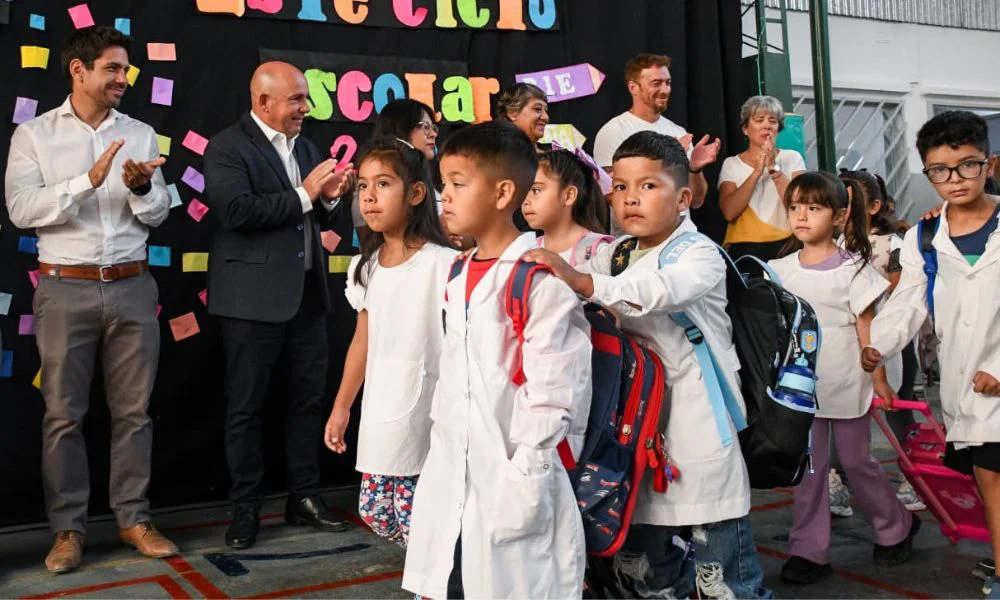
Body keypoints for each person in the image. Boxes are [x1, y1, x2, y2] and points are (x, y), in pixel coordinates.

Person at [526, 131, 770, 599]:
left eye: (647, 186)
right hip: (638, 435)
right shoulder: (617, 253)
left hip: (698, 432)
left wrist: (580, 280)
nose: (630, 198)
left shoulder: (699, 254)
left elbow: (659, 291)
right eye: (620, 186)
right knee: (645, 573)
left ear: (683, 198)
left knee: (725, 582)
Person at [4, 26, 177, 574]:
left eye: (125, 70)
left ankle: (133, 518)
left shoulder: (143, 133)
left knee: (135, 413)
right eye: (113, 69)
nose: (124, 79)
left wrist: (145, 191)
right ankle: (68, 530)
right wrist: (87, 180)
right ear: (79, 71)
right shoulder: (34, 135)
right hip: (63, 287)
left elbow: (159, 214)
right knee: (63, 416)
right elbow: (21, 210)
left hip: (132, 284)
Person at [401, 121, 592, 599]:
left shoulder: (538, 279)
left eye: (458, 184)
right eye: (443, 184)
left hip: (513, 476)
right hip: (455, 471)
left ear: (504, 192)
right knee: (451, 579)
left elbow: (553, 390)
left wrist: (526, 471)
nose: (444, 196)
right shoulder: (458, 272)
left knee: (511, 584)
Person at [203, 61, 354, 550]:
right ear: (263, 101)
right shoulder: (227, 147)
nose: (306, 109)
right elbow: (237, 212)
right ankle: (245, 509)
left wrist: (329, 199)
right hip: (250, 304)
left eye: (306, 99)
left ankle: (303, 498)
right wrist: (307, 194)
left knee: (307, 402)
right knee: (246, 408)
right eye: (296, 100)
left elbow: (311, 213)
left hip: (307, 298)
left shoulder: (306, 148)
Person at [862, 110, 1000, 598]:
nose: (955, 179)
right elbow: (908, 301)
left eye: (967, 166)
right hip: (969, 384)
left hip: (995, 377)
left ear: (990, 164)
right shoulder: (923, 237)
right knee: (989, 480)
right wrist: (879, 344)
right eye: (940, 170)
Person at [768, 171, 918, 584]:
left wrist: (881, 380)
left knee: (857, 462)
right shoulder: (778, 269)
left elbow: (868, 329)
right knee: (810, 469)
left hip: (848, 380)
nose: (801, 216)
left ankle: (896, 526)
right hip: (799, 389)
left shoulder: (855, 269)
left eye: (813, 208)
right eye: (795, 208)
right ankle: (808, 550)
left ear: (838, 216)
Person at [323, 138, 457, 547]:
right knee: (377, 509)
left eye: (383, 184)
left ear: (416, 193)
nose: (369, 197)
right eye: (362, 186)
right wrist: (342, 406)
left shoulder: (443, 263)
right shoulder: (366, 265)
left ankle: (437, 584)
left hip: (430, 407)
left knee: (422, 513)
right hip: (383, 403)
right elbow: (363, 339)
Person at [592, 53, 720, 210]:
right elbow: (612, 195)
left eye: (668, 83)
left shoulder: (678, 132)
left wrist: (695, 168)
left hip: (682, 232)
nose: (665, 90)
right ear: (633, 87)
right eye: (656, 83)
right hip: (637, 233)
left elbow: (696, 201)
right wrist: (666, 160)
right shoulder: (613, 131)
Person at [719, 95, 807, 261]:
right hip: (746, 248)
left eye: (772, 121)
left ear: (778, 128)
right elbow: (729, 212)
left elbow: (800, 204)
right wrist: (757, 172)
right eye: (759, 120)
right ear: (745, 129)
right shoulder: (731, 164)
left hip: (788, 244)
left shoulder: (792, 158)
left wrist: (774, 169)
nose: (767, 126)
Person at [523, 149, 613, 264]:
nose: (525, 200)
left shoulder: (598, 251)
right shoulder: (529, 251)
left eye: (536, 190)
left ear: (569, 195)